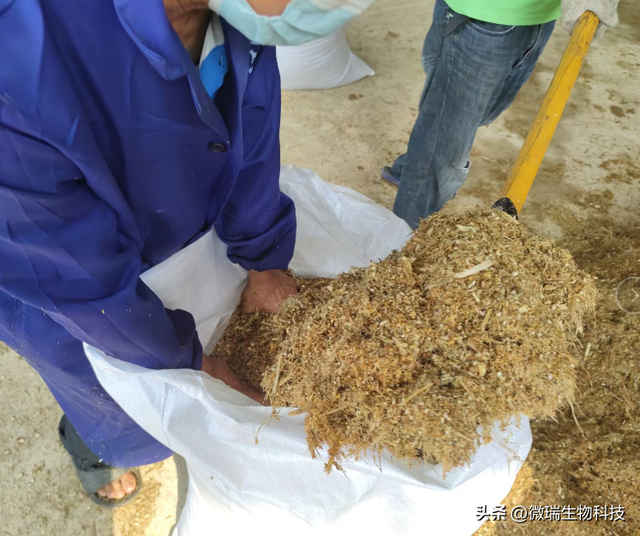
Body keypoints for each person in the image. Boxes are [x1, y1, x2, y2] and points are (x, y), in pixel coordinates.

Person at [0, 0, 372, 507]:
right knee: (110, 394)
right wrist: (186, 363)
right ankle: (95, 448)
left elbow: (252, 128)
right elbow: (70, 274)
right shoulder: (20, 52)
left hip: (174, 222)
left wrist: (265, 259)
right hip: (61, 278)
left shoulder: (236, 18)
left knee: (179, 397)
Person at [382, 0, 620, 228]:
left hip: (536, 14)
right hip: (485, 15)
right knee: (445, 139)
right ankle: (404, 234)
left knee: (464, 112)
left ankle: (412, 168)